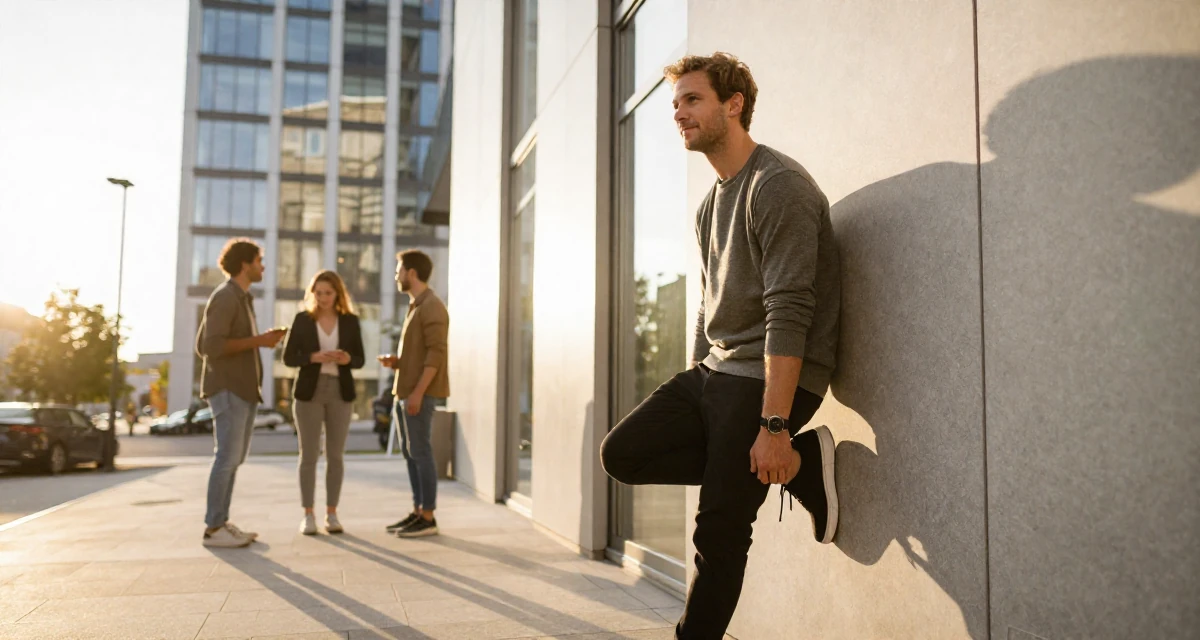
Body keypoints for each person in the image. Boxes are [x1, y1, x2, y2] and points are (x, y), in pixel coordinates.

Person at [599, 52, 842, 639]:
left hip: (766, 376)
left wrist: (774, 425)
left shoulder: (777, 186)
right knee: (622, 454)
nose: (678, 113)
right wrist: (696, 382)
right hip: (716, 372)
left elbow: (789, 309)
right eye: (675, 103)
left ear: (734, 105)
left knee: (719, 531)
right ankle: (801, 466)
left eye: (692, 99)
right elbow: (708, 304)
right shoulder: (712, 202)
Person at [196, 239, 286, 548]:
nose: (263, 266)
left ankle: (220, 522)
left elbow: (206, 343)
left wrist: (259, 340)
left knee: (234, 459)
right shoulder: (225, 296)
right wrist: (259, 341)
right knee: (227, 458)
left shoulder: (240, 297)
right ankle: (213, 528)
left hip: (243, 390)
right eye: (259, 261)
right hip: (228, 388)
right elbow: (209, 346)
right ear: (245, 264)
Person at [282, 270, 366, 535]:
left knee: (335, 456)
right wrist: (313, 357)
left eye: (328, 293)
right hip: (309, 392)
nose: (323, 298)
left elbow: (360, 359)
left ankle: (332, 514)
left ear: (337, 294)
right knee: (308, 455)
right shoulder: (302, 320)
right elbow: (288, 357)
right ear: (312, 294)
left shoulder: (350, 321)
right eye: (318, 293)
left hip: (340, 391)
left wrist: (346, 359)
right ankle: (308, 515)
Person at [379, 250, 450, 538]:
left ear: (411, 273)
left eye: (399, 270)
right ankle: (418, 511)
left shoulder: (432, 306)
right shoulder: (416, 306)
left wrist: (419, 393)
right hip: (405, 391)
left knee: (421, 452)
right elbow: (421, 355)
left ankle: (428, 517)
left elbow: (436, 354)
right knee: (411, 454)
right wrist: (397, 363)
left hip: (418, 394)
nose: (396, 275)